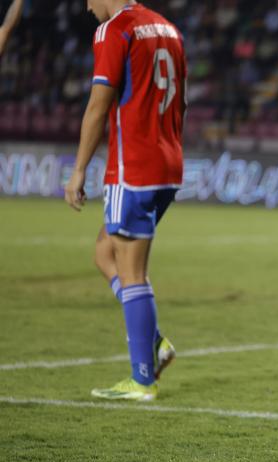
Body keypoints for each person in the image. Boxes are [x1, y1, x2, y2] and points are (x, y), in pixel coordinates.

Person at [63, 0, 186, 401]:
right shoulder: (168, 29)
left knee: (132, 273)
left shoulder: (115, 29)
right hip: (168, 163)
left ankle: (142, 379)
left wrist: (79, 169)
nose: (86, 6)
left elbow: (98, 104)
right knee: (104, 253)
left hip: (132, 167)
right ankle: (153, 342)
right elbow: (181, 102)